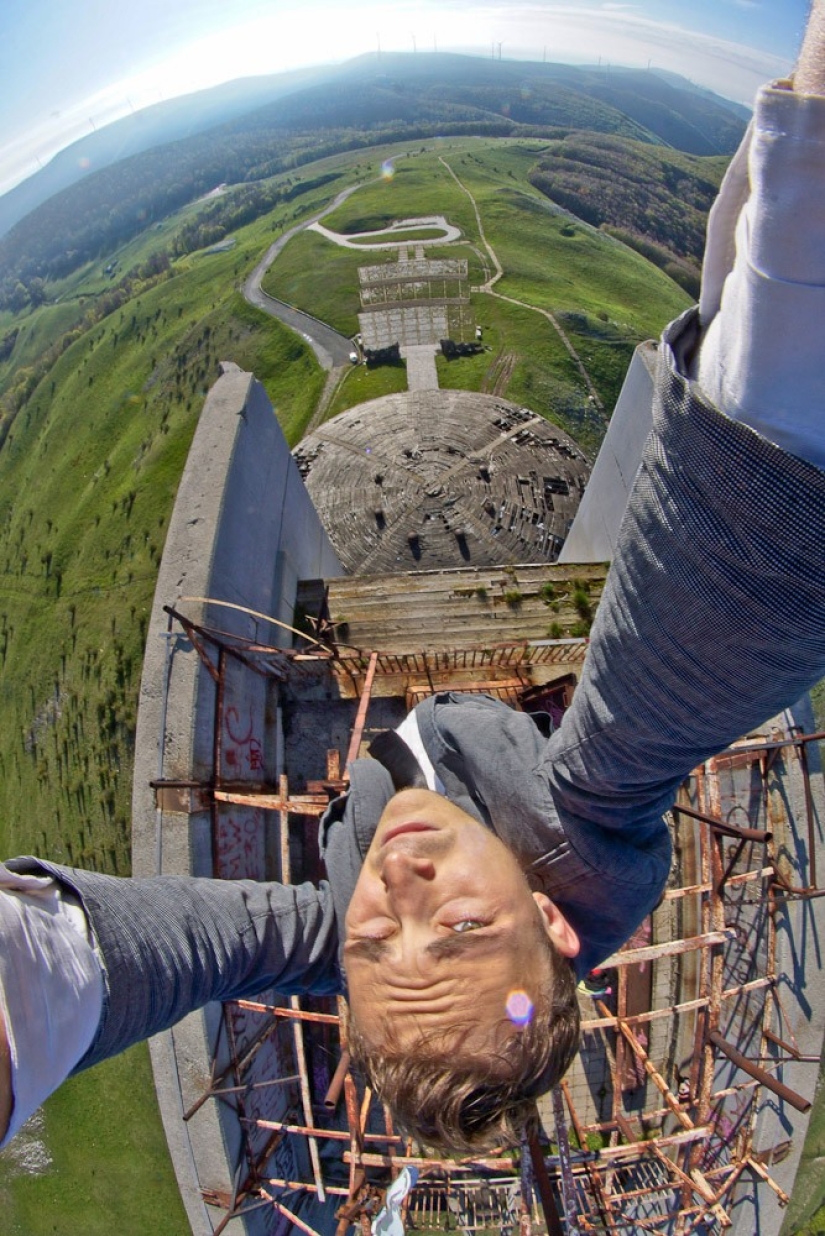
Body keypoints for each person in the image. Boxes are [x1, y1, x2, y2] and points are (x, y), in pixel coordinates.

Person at [3, 1, 825, 1156]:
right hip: (529, 736)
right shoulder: (585, 820)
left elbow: (158, 954)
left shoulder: (347, 916)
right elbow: (726, 599)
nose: (403, 892)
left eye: (378, 951)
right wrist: (800, 265)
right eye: (470, 928)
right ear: (552, 913)